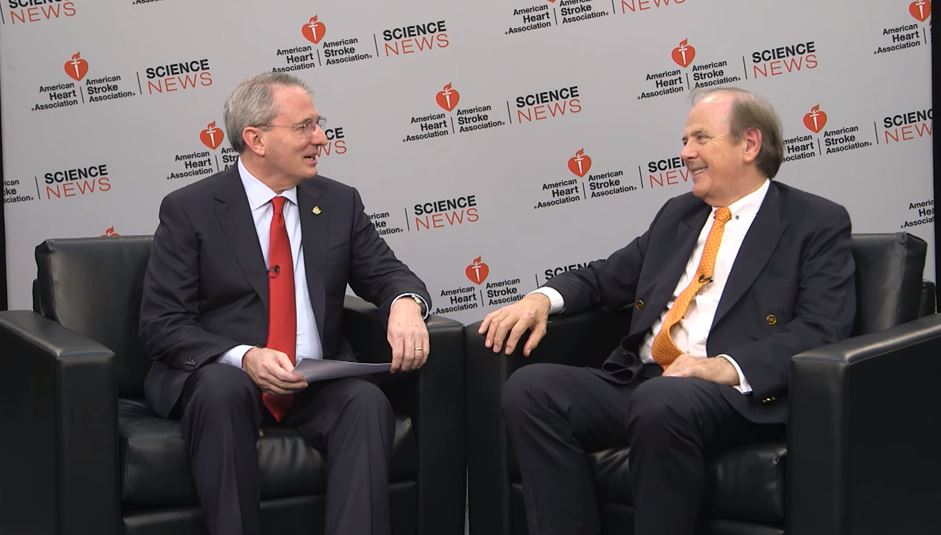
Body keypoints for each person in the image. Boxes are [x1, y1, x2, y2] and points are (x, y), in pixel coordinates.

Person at [478, 87, 856, 535]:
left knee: (662, 399)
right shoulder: (679, 215)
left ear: (750, 144)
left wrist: (723, 366)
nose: (685, 153)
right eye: (684, 141)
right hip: (644, 380)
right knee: (531, 391)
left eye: (700, 138)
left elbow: (822, 327)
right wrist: (540, 299)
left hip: (730, 394)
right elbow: (603, 277)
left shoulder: (814, 222)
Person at [139, 72, 431, 535]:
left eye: (318, 124)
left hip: (313, 380)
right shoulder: (190, 209)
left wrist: (406, 304)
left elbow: (389, 273)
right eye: (304, 127)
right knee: (221, 390)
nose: (321, 138)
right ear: (256, 139)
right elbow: (162, 323)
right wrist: (245, 357)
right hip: (228, 379)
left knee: (365, 402)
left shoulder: (338, 203)